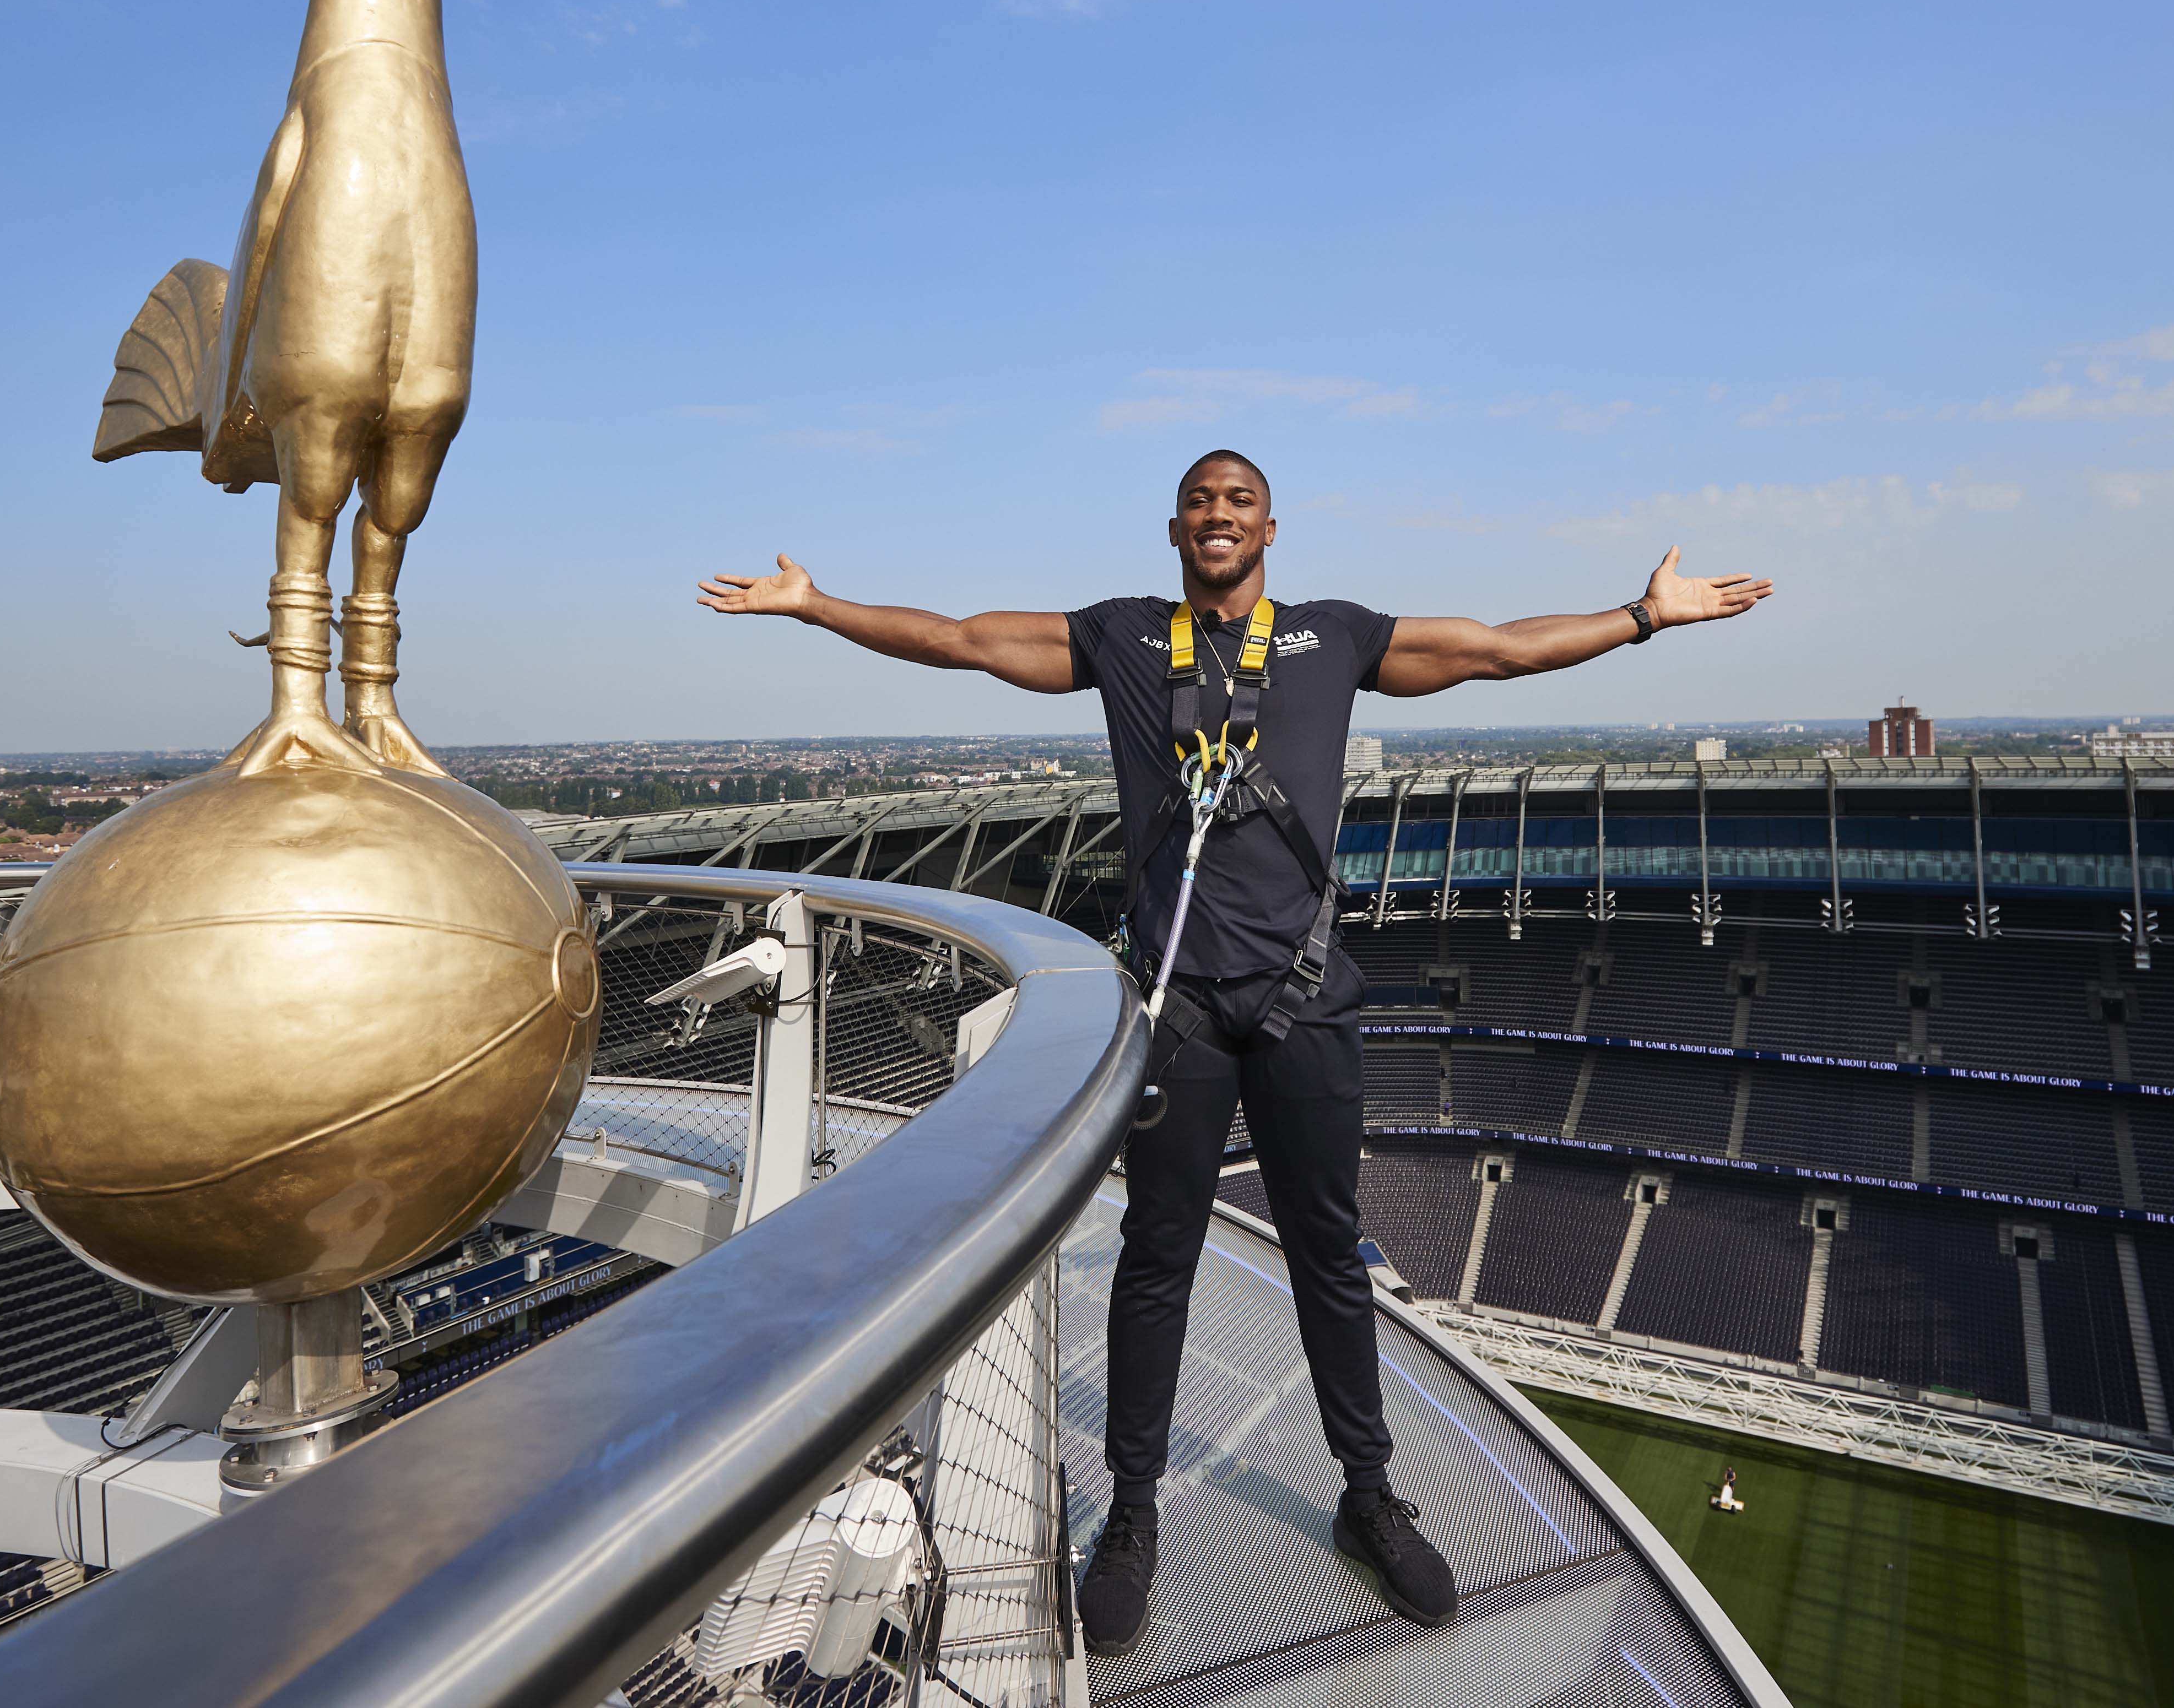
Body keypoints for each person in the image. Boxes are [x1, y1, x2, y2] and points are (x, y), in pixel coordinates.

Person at [697, 450, 1770, 1657]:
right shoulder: (1121, 639)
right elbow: (960, 639)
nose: (1220, 515)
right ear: (1174, 528)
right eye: (1202, 501)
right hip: (1184, 1009)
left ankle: (1368, 1494)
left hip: (1305, 998)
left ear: (1272, 525)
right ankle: (1136, 1518)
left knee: (1330, 1251)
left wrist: (1639, 618)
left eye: (1240, 501)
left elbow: (1493, 648)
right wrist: (818, 604)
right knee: (1160, 1259)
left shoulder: (1332, 637)